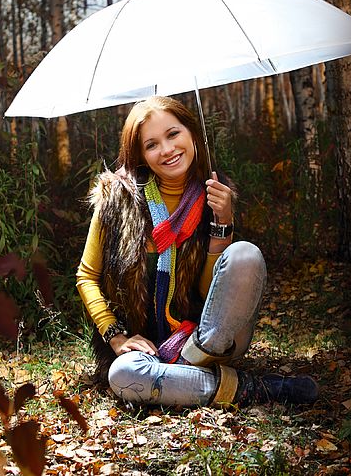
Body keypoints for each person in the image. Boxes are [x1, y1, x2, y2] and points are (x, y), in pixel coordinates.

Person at [76, 96, 318, 408]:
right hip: (144, 352)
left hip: (208, 336)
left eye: (173, 134)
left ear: (192, 133)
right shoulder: (117, 199)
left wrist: (223, 224)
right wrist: (117, 337)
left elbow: (208, 295)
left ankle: (182, 374)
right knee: (122, 374)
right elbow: (86, 276)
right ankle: (254, 388)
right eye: (152, 144)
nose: (167, 150)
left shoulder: (215, 193)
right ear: (141, 155)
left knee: (245, 255)